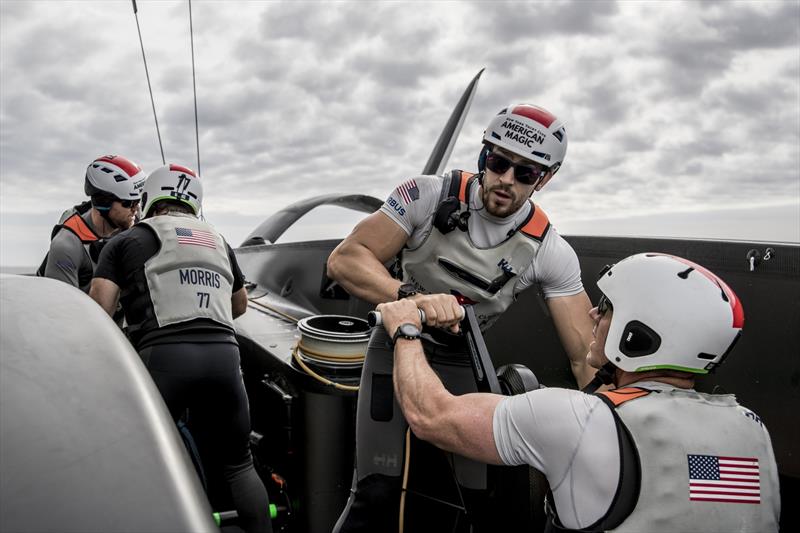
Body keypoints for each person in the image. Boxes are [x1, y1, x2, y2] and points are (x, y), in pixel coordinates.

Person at [328, 103, 595, 531]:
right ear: (483, 155)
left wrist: (615, 435)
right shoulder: (426, 196)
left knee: (473, 498)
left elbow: (585, 358)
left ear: (545, 179)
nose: (506, 180)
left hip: (461, 359)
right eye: (499, 162)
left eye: (525, 173)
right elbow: (346, 259)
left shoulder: (549, 251)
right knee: (376, 489)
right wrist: (412, 297)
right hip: (395, 346)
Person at [376, 252, 780, 532]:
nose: (592, 313)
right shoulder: (752, 430)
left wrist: (405, 330)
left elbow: (431, 415)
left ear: (637, 335)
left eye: (606, 307)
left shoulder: (578, 421)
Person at [88, 164, 272, 533]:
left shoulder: (126, 241)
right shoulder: (219, 240)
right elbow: (238, 306)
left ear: (150, 197)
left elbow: (98, 311)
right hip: (224, 358)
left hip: (163, 358)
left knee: (145, 461)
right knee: (239, 463)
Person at [38, 155, 145, 292]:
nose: (136, 209)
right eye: (128, 203)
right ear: (103, 202)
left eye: (138, 201)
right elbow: (61, 309)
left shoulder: (134, 216)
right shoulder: (67, 246)